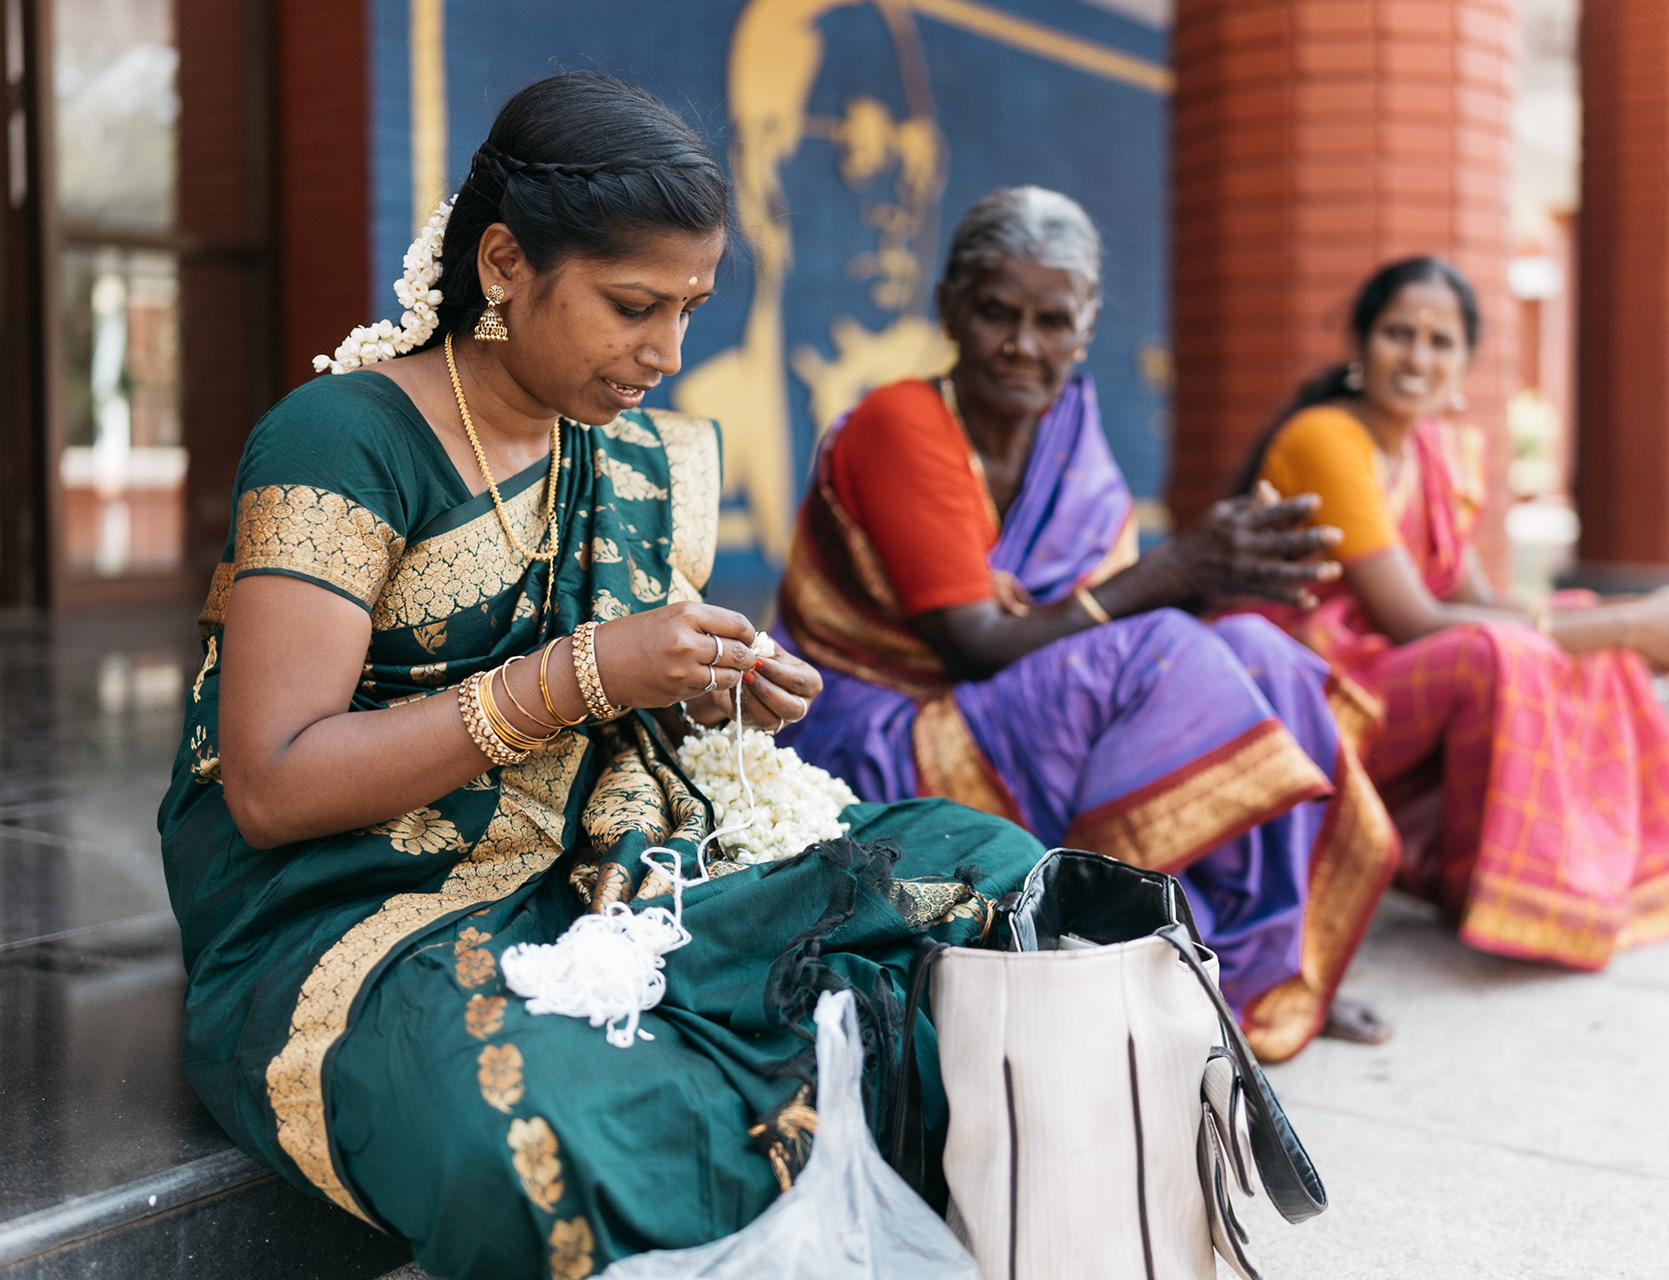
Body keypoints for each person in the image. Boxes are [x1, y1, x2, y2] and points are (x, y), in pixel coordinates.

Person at [159, 75, 1043, 1280]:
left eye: (690, 308)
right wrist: (581, 674)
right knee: (545, 1126)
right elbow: (270, 784)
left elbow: (618, 691)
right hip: (355, 908)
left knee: (998, 876)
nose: (667, 353)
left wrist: (693, 686)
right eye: (633, 305)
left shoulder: (630, 451)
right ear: (508, 262)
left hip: (606, 854)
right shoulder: (343, 439)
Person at [775, 187, 1400, 1059]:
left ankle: (1259, 969)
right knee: (1170, 653)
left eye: (1052, 321)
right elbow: (978, 645)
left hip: (1010, 713)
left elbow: (1095, 620)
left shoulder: (1070, 429)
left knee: (1266, 652)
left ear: (1087, 327)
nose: (1023, 346)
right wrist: (1176, 572)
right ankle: (1131, 947)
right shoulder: (904, 422)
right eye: (997, 312)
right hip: (882, 731)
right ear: (950, 305)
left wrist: (1209, 577)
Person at [1237, 256, 1669, 970]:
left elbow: (1473, 601)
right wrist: (1629, 627)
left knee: (1572, 616)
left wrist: (1626, 617)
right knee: (1496, 653)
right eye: (1398, 334)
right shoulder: (1328, 438)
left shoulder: (1429, 452)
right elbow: (1413, 619)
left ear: (1465, 363)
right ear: (1358, 345)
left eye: (1441, 342)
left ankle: (1586, 883)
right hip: (1308, 697)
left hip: (1382, 682)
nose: (1418, 356)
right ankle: (1488, 886)